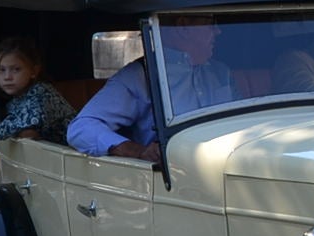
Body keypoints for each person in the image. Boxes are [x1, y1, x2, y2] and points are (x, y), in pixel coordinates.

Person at [67, 16, 236, 163]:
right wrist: (138, 151)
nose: (217, 31)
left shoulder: (219, 71)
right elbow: (82, 128)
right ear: (183, 26)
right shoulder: (140, 75)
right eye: (210, 22)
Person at [0, 36, 73, 142]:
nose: (7, 77)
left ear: (34, 71)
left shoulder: (41, 92)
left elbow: (29, 123)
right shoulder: (15, 101)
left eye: (16, 69)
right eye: (2, 70)